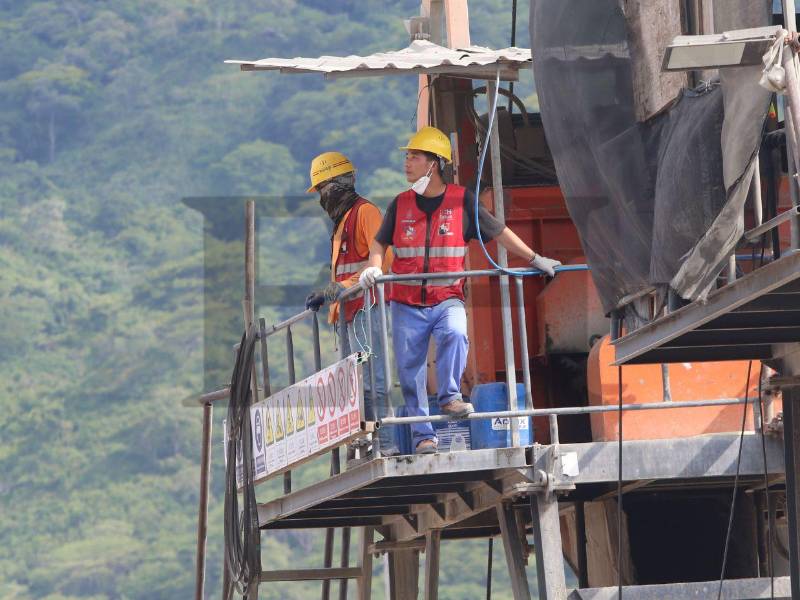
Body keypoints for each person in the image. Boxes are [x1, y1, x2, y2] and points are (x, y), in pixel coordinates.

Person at [358, 126, 561, 454]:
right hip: (406, 304)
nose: (406, 162)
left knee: (455, 333)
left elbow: (499, 231)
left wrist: (535, 258)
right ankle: (424, 436)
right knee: (410, 375)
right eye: (407, 156)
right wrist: (374, 267)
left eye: (414, 156)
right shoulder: (400, 204)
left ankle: (450, 397)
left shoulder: (461, 201)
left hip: (446, 298)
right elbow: (380, 241)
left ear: (433, 164)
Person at [303, 151, 398, 455]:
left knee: (375, 380)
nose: (320, 198)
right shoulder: (344, 220)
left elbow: (382, 261)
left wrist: (339, 289)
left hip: (366, 306)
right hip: (349, 311)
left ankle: (387, 444)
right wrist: (330, 294)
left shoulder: (364, 213)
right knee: (355, 384)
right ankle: (366, 441)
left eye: (321, 189)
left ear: (335, 185)